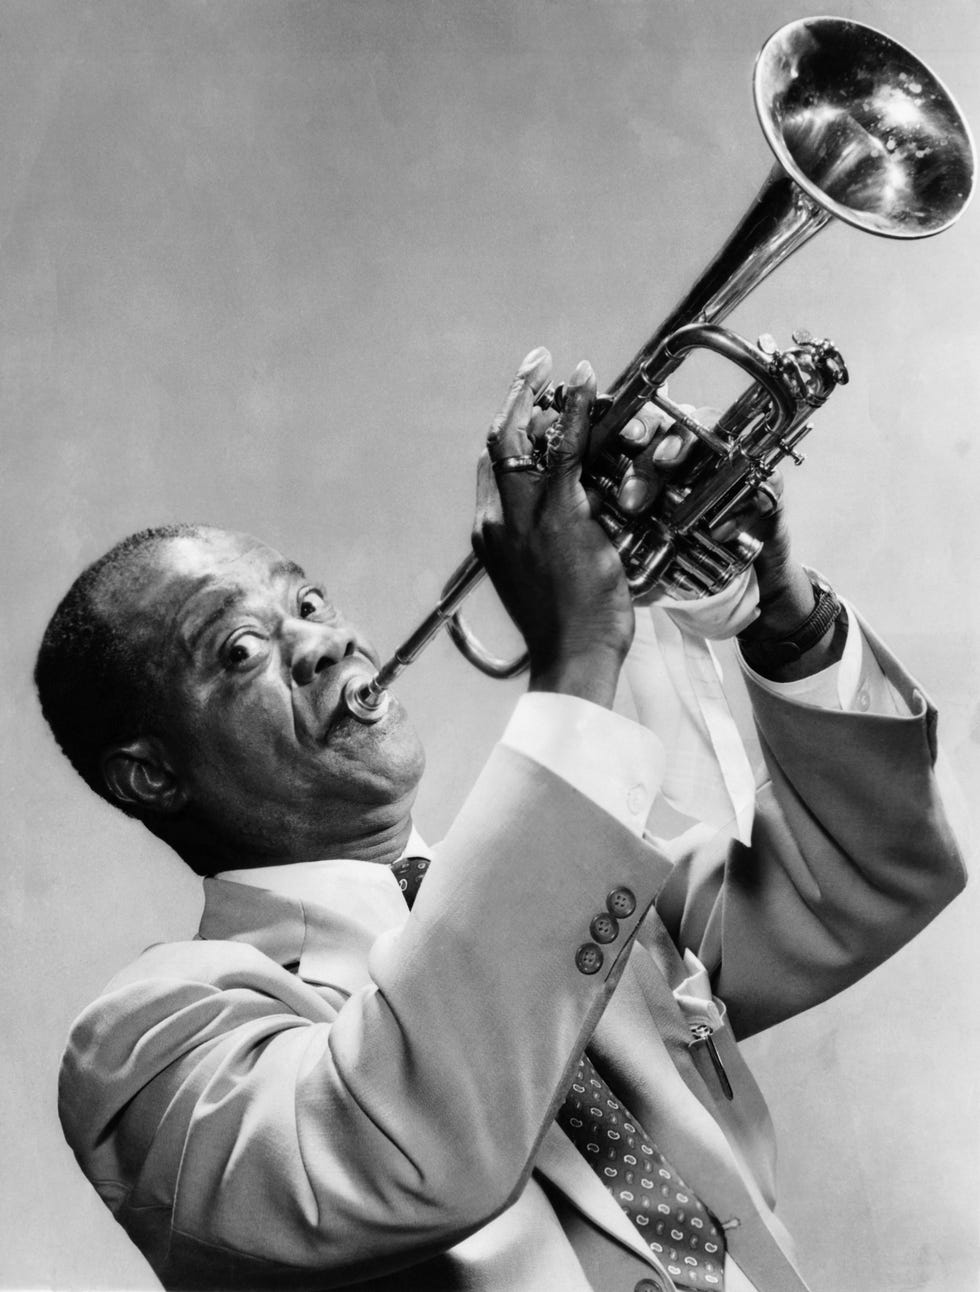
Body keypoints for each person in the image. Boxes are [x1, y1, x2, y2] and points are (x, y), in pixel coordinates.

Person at [37, 347, 965, 1292]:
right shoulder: (149, 1044)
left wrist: (783, 610)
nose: (321, 641)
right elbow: (405, 1153)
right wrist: (577, 657)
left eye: (308, 601)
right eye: (239, 651)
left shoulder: (590, 886)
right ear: (150, 776)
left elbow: (874, 874)